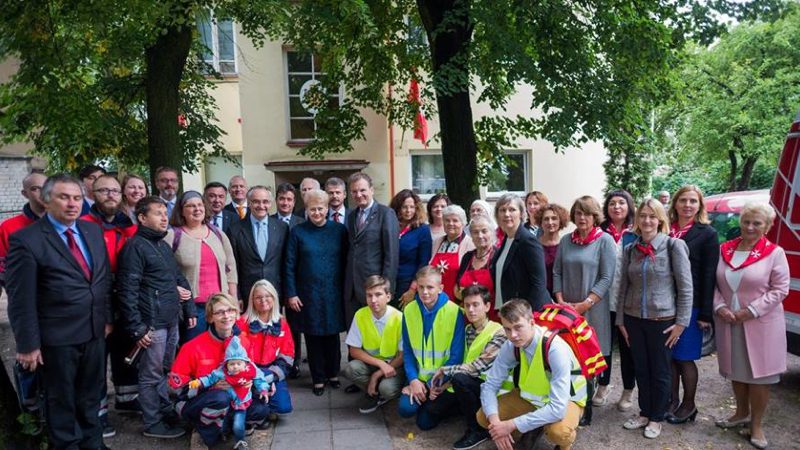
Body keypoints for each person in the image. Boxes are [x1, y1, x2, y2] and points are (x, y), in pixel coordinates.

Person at [7, 174, 113, 449]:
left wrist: (107, 319)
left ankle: (94, 444)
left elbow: (103, 280)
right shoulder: (26, 240)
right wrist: (28, 345)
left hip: (93, 331)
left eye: (77, 198)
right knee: (61, 401)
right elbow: (21, 298)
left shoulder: (92, 231)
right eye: (63, 197)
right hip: (56, 338)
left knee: (91, 397)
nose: (72, 204)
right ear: (46, 199)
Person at [116, 196, 195, 439]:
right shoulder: (135, 247)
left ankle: (164, 411)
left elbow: (177, 279)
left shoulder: (161, 246)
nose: (164, 217)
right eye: (158, 213)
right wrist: (137, 328)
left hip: (170, 320)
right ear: (142, 218)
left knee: (164, 370)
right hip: (151, 325)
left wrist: (189, 308)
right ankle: (152, 423)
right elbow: (127, 290)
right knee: (150, 376)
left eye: (165, 212)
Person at [713, 202, 788, 450]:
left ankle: (756, 424)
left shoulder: (775, 253)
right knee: (737, 369)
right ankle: (740, 412)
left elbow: (780, 289)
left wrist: (751, 311)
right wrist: (719, 307)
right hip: (729, 321)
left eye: (757, 223)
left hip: (760, 324)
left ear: (767, 226)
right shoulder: (726, 249)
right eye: (746, 221)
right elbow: (715, 284)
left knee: (759, 377)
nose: (750, 227)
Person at [616, 198, 692, 439]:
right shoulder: (630, 249)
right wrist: (620, 321)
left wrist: (681, 323)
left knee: (660, 370)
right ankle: (644, 411)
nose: (647, 221)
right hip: (633, 319)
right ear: (637, 220)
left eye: (652, 216)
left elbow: (686, 287)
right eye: (643, 216)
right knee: (641, 368)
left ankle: (657, 417)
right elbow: (623, 287)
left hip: (663, 321)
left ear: (660, 220)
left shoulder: (673, 246)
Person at [477, 299, 587, 450]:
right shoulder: (511, 345)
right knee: (484, 416)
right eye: (507, 329)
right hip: (532, 397)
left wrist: (510, 424)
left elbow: (557, 409)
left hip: (567, 399)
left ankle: (566, 443)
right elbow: (490, 385)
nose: (513, 335)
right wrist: (497, 424)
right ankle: (524, 430)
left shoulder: (555, 349)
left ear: (532, 323)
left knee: (559, 432)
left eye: (518, 327)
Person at [169, 293, 270, 447]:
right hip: (200, 401)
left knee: (261, 409)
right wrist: (210, 387)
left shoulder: (244, 342)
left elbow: (252, 371)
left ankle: (226, 425)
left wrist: (255, 385)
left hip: (233, 399)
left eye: (230, 310)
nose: (226, 316)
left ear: (236, 314)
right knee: (220, 397)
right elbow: (176, 389)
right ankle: (211, 433)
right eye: (219, 312)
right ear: (210, 318)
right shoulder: (192, 346)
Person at [80, 174, 138, 435]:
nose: (111, 195)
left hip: (125, 298)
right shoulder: (82, 225)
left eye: (115, 191)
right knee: (95, 359)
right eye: (104, 191)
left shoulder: (131, 227)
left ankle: (127, 398)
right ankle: (98, 413)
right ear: (93, 193)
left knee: (125, 351)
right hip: (94, 301)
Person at [552, 195, 616, 426]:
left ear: (595, 216)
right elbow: (557, 272)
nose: (582, 218)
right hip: (566, 309)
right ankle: (568, 404)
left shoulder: (605, 241)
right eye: (578, 213)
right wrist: (560, 301)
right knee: (567, 355)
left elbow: (607, 277)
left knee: (588, 356)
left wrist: (585, 304)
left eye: (587, 213)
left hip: (593, 308)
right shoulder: (566, 241)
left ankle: (586, 408)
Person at [285, 189, 348, 394]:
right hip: (307, 294)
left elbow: (347, 260)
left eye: (321, 208)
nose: (317, 212)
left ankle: (333, 373)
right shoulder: (298, 232)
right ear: (307, 210)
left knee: (332, 336)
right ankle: (318, 378)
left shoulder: (339, 230)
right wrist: (291, 293)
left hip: (333, 292)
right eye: (313, 209)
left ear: (327, 208)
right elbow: (289, 265)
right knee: (312, 337)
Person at [432, 285, 508, 450]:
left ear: (487, 307)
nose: (471, 310)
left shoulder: (499, 332)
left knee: (460, 380)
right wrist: (445, 385)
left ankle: (477, 430)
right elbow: (465, 362)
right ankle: (468, 410)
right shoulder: (467, 330)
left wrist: (445, 371)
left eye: (476, 304)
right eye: (467, 305)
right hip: (469, 384)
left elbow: (477, 367)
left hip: (491, 389)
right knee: (431, 414)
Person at [667, 185, 719, 424]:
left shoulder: (707, 233)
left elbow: (709, 275)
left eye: (693, 201)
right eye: (683, 200)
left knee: (684, 357)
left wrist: (705, 313)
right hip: (666, 303)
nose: (687, 205)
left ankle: (689, 405)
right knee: (669, 356)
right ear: (675, 204)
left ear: (700, 206)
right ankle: (672, 401)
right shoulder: (666, 229)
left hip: (692, 304)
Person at [397, 266, 465, 430]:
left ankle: (452, 406)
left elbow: (456, 356)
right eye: (421, 287)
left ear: (440, 288)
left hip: (442, 380)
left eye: (430, 287)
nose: (425, 292)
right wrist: (413, 380)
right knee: (405, 410)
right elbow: (408, 351)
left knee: (424, 423)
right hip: (419, 376)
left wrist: (429, 385)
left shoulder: (454, 312)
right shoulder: (409, 310)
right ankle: (422, 398)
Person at [166, 191, 238, 343]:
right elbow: (163, 271)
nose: (197, 209)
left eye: (199, 205)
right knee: (195, 350)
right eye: (191, 206)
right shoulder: (172, 236)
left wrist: (233, 301)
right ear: (182, 211)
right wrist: (174, 288)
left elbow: (230, 268)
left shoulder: (218, 234)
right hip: (192, 308)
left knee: (225, 351)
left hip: (221, 306)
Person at [188, 336, 274, 450]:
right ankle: (222, 434)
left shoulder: (251, 370)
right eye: (232, 364)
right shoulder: (222, 372)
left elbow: (260, 379)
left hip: (241, 403)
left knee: (238, 425)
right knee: (222, 425)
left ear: (245, 363)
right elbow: (210, 378)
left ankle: (240, 441)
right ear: (226, 364)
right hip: (226, 404)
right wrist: (198, 382)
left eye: (239, 363)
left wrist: (263, 389)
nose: (235, 367)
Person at [597, 190, 638, 411]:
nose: (617, 207)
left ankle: (628, 390)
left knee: (627, 347)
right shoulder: (600, 231)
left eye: (621, 203)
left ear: (629, 206)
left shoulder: (637, 231)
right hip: (603, 298)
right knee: (603, 345)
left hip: (627, 299)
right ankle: (603, 385)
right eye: (612, 203)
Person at [343, 275, 405, 413]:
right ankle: (374, 393)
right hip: (372, 364)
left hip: (394, 365)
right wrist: (380, 365)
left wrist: (376, 376)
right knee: (351, 369)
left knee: (387, 389)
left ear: (388, 297)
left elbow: (402, 356)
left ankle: (380, 390)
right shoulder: (360, 315)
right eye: (369, 295)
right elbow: (354, 350)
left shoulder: (399, 318)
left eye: (378, 295)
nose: (373, 300)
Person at [344, 172, 400, 322]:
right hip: (352, 289)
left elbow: (392, 254)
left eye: (362, 190)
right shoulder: (351, 216)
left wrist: (386, 288)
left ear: (371, 190)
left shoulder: (386, 213)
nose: (358, 194)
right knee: (355, 336)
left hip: (375, 288)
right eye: (354, 191)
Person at [237, 280, 295, 415]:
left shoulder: (282, 323)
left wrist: (272, 378)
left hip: (271, 371)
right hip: (248, 373)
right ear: (252, 300)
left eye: (267, 296)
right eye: (258, 297)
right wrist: (258, 379)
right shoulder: (241, 324)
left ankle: (260, 405)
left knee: (283, 408)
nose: (263, 300)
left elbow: (287, 355)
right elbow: (236, 357)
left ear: (274, 298)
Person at [228, 186, 289, 311]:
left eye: (265, 201)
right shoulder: (235, 230)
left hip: (275, 292)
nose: (261, 205)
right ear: (249, 203)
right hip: (248, 294)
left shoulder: (282, 228)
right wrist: (237, 295)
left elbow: (286, 263)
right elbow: (233, 266)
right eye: (256, 201)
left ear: (270, 203)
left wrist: (288, 293)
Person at [490, 193, 550, 312]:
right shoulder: (507, 240)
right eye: (502, 210)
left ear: (521, 213)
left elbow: (539, 284)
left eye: (512, 209)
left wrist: (527, 315)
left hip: (525, 314)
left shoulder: (528, 241)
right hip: (508, 311)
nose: (507, 214)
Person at [0, 172, 47, 287]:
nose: (42, 193)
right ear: (25, 194)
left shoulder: (65, 222)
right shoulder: (8, 227)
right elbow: (2, 268)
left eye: (46, 187)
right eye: (35, 189)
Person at [391, 189, 432, 307]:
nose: (408, 211)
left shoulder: (422, 230)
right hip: (389, 282)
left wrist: (413, 289)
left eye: (412, 207)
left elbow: (423, 263)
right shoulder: (390, 226)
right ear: (397, 207)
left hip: (408, 284)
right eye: (404, 207)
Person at [430, 204, 475, 304]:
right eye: (447, 220)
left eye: (455, 220)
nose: (450, 223)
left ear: (463, 223)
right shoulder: (437, 242)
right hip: (434, 298)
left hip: (457, 299)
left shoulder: (471, 244)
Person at [455, 216, 497, 316]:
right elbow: (457, 286)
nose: (480, 235)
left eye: (484, 231)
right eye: (475, 232)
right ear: (471, 236)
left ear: (491, 232)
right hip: (468, 314)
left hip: (491, 315)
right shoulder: (467, 257)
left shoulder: (498, 256)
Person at [535, 203, 569, 299]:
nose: (550, 222)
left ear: (560, 221)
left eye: (554, 218)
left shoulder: (567, 245)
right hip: (541, 297)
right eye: (546, 219)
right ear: (540, 222)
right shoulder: (534, 246)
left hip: (564, 297)